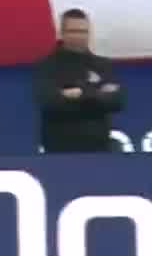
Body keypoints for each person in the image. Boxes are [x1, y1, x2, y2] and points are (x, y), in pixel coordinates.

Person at [33, 9, 124, 153]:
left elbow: (117, 101)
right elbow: (49, 101)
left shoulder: (103, 65)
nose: (79, 36)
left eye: (83, 32)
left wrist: (78, 94)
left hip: (99, 149)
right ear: (62, 33)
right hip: (59, 150)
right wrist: (96, 94)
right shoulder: (47, 66)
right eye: (73, 31)